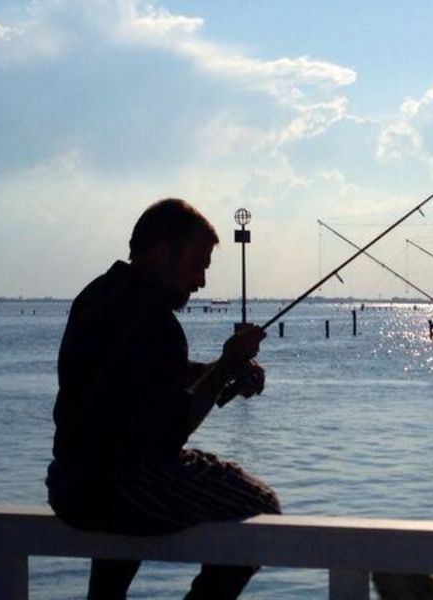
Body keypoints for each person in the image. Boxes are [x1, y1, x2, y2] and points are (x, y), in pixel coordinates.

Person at [46, 198, 280, 599]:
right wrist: (226, 366)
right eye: (198, 263)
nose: (201, 281)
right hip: (118, 488)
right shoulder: (158, 325)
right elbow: (171, 433)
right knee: (261, 507)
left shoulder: (97, 297)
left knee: (140, 469)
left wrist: (218, 368)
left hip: (69, 484)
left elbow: (140, 381)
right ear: (161, 251)